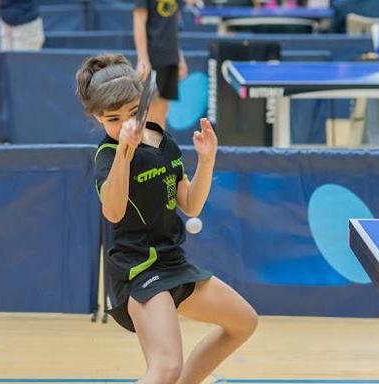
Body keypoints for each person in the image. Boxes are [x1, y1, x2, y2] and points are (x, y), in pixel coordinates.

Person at [75, 53, 257, 383]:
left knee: (244, 321)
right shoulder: (107, 155)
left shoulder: (161, 140)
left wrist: (207, 161)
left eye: (132, 112)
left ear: (142, 106)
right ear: (99, 119)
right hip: (139, 270)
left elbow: (190, 204)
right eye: (112, 119)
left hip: (173, 263)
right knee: (166, 366)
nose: (124, 124)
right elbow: (113, 211)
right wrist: (125, 154)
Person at [133, 0, 194, 129]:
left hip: (170, 58)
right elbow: (139, 20)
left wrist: (179, 56)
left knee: (163, 110)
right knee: (149, 114)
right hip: (153, 57)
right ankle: (147, 148)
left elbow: (173, 25)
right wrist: (142, 58)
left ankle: (159, 148)